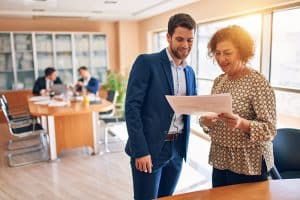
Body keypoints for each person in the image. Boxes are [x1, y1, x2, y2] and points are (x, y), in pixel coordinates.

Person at [125, 13, 197, 200]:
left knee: (167, 198)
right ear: (168, 37)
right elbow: (132, 108)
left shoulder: (190, 72)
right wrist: (140, 151)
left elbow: (188, 108)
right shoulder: (147, 62)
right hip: (150, 149)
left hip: (177, 148)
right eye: (180, 39)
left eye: (190, 40)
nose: (185, 45)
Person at [199, 25, 276, 187]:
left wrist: (241, 123)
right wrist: (205, 123)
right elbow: (214, 119)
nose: (221, 59)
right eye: (217, 53)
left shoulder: (257, 83)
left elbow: (270, 130)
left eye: (227, 53)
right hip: (221, 159)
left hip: (248, 163)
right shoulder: (219, 81)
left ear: (242, 52)